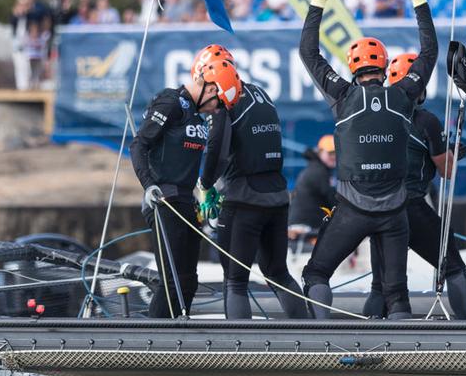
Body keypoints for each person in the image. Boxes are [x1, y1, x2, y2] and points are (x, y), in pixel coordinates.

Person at [299, 0, 435, 320]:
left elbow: (309, 54)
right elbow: (429, 53)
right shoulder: (405, 94)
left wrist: (317, 3)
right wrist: (419, 3)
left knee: (315, 274)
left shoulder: (342, 96)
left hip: (352, 210)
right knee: (396, 295)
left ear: (352, 69)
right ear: (386, 66)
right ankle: (408, 363)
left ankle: (322, 344)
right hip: (395, 214)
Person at [196, 45, 311, 320]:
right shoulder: (261, 94)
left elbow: (217, 150)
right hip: (278, 196)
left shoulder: (224, 104)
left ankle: (238, 354)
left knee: (235, 281)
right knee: (278, 272)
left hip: (243, 199)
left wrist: (205, 183)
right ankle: (311, 336)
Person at [362, 54, 466, 320]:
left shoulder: (376, 118)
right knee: (454, 268)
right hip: (411, 207)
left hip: (377, 209)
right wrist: (451, 154)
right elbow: (446, 172)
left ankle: (365, 337)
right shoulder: (426, 121)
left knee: (379, 283)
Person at [129, 55, 241, 318]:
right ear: (210, 88)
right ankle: (152, 342)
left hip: (185, 202)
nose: (216, 110)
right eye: (217, 102)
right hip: (164, 200)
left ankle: (177, 338)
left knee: (188, 281)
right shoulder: (171, 102)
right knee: (173, 281)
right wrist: (148, 185)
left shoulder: (195, 113)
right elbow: (139, 145)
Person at [287, 135, 338, 239]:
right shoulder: (318, 172)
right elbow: (333, 202)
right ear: (320, 152)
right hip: (304, 230)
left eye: (337, 153)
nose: (334, 156)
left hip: (307, 228)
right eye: (330, 153)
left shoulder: (317, 169)